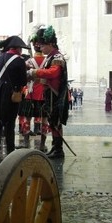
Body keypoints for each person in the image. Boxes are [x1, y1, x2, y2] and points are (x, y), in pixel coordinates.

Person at [27, 26, 69, 159]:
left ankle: (58, 149)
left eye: (43, 45)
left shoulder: (57, 56)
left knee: (56, 122)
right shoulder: (50, 57)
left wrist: (34, 72)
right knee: (52, 122)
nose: (41, 48)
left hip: (56, 96)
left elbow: (53, 73)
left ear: (51, 44)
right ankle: (55, 148)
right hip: (50, 95)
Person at [0, 35, 29, 158]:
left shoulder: (1, 57)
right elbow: (23, 81)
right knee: (10, 122)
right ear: (17, 48)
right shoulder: (19, 60)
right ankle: (10, 150)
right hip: (10, 93)